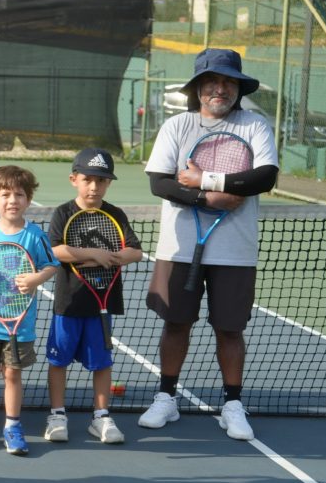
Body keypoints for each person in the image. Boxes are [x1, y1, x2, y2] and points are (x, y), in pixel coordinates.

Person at [140, 48, 278, 441]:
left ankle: (232, 404)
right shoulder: (177, 126)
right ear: (198, 87)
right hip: (179, 248)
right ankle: (166, 397)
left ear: (238, 88)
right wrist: (208, 199)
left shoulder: (255, 125)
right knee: (175, 323)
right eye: (212, 81)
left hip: (236, 251)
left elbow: (264, 177)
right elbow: (160, 183)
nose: (220, 88)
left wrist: (205, 181)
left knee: (230, 329)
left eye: (229, 82)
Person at [45, 149, 143, 445]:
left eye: (101, 181)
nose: (94, 187)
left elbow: (135, 252)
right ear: (73, 179)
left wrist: (107, 258)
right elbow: (56, 250)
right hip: (68, 304)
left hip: (102, 303)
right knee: (59, 360)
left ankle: (101, 416)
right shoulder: (63, 213)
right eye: (87, 179)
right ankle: (57, 415)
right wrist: (93, 254)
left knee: (101, 362)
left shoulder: (115, 214)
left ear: (108, 183)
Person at [0, 166, 59, 456]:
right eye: (5, 195)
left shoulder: (35, 236)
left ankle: (13, 426)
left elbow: (51, 266)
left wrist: (37, 278)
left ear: (28, 200)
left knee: (13, 375)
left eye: (19, 194)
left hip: (20, 324)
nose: (13, 200)